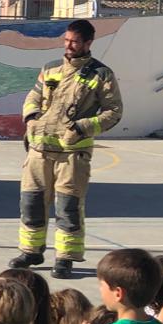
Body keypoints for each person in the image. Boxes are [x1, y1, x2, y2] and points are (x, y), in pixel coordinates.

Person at [10, 18, 123, 280]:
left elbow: (114, 112)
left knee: (68, 207)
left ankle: (65, 258)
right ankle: (31, 252)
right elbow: (33, 96)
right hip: (38, 150)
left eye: (74, 42)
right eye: (66, 40)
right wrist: (31, 118)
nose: (68, 46)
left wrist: (82, 128)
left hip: (72, 155)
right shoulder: (50, 68)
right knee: (31, 203)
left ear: (88, 43)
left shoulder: (101, 74)